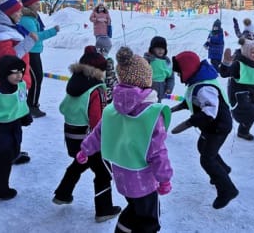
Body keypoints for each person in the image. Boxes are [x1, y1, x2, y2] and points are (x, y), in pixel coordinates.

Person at [77, 46, 173, 233]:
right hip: (144, 181)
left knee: (134, 208)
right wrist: (165, 179)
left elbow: (98, 133)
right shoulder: (152, 114)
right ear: (146, 79)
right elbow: (157, 151)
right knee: (149, 220)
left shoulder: (112, 109)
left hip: (122, 176)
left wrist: (84, 150)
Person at [53, 45, 121, 223]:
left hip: (72, 137)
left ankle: (62, 193)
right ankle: (104, 209)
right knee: (104, 173)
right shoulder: (96, 89)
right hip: (91, 141)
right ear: (99, 70)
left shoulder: (75, 83)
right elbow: (98, 120)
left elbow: (63, 108)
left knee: (78, 164)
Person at [170, 51, 239, 209]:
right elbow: (193, 101)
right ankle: (223, 170)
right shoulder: (198, 82)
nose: (179, 75)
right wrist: (174, 109)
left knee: (206, 159)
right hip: (211, 126)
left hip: (218, 126)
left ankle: (227, 190)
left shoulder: (204, 87)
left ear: (187, 69)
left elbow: (209, 111)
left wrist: (189, 123)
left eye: (179, 72)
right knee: (203, 147)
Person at [0, 0, 38, 165]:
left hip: (15, 82)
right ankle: (7, 153)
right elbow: (7, 61)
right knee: (8, 121)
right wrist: (28, 43)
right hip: (6, 85)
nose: (20, 14)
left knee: (14, 120)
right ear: (7, 14)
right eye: (17, 12)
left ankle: (12, 150)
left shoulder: (9, 29)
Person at [0, 55, 33, 200]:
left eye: (21, 71)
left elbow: (21, 100)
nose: (19, 75)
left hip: (14, 125)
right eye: (14, 72)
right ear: (4, 72)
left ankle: (11, 157)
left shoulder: (20, 85)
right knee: (2, 156)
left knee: (13, 149)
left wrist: (25, 115)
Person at [18, 0, 60, 118]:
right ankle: (32, 106)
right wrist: (53, 31)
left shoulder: (32, 17)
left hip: (34, 52)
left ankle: (32, 104)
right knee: (36, 79)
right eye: (36, 4)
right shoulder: (27, 19)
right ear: (30, 5)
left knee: (36, 79)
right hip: (29, 53)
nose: (38, 5)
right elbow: (36, 36)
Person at [219, 38, 254, 141]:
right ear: (246, 52)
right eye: (252, 52)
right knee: (247, 115)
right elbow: (224, 74)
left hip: (252, 92)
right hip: (239, 94)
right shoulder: (237, 64)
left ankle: (243, 130)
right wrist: (226, 64)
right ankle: (243, 132)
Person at [144, 36, 175, 103]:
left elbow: (171, 77)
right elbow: (142, 73)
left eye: (163, 48)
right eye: (158, 48)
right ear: (152, 49)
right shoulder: (148, 59)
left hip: (161, 91)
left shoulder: (167, 62)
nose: (161, 50)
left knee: (158, 107)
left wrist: (169, 87)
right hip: (148, 92)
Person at [95, 36, 117, 103]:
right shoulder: (107, 62)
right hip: (102, 97)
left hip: (90, 94)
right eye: (108, 49)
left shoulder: (89, 59)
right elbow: (111, 83)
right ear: (104, 50)